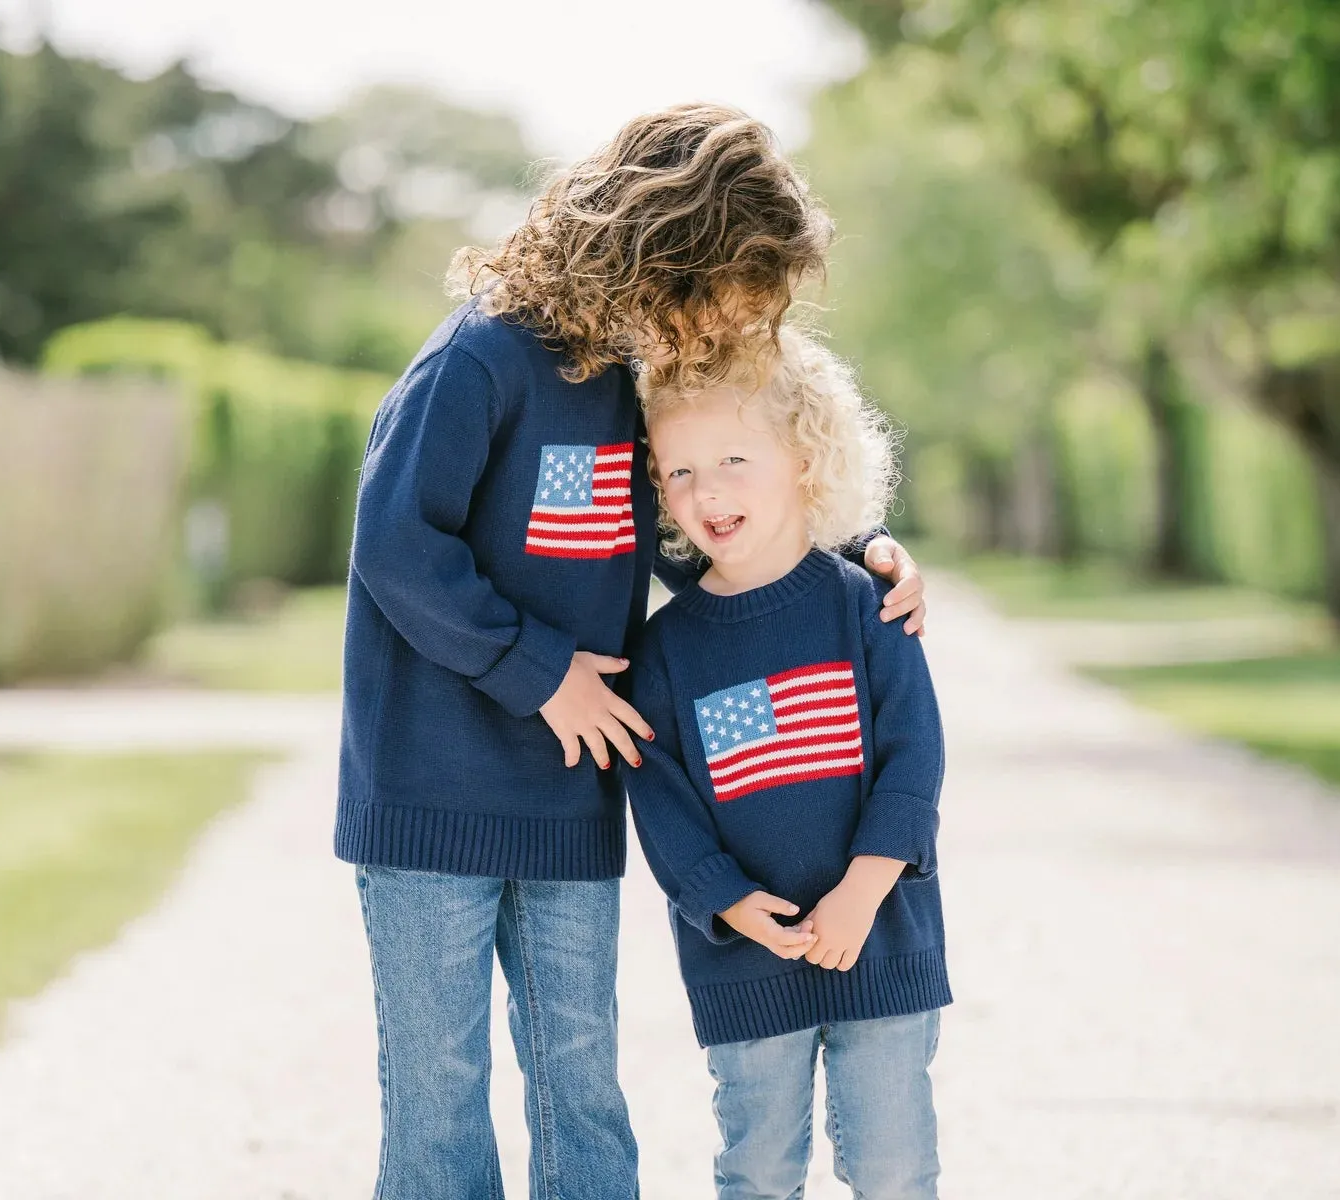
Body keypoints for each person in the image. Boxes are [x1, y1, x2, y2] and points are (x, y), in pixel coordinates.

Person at [337, 104, 930, 1199]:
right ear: (667, 250)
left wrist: (857, 551)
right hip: (427, 793)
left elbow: (709, 521)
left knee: (581, 1083)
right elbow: (394, 544)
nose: (725, 329)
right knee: (438, 1095)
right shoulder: (481, 359)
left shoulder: (628, 383)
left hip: (569, 800)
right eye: (725, 299)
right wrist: (537, 669)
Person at [626, 326, 948, 1200]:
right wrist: (723, 900)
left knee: (893, 1167)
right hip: (746, 961)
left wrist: (862, 891)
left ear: (805, 458)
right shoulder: (664, 650)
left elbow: (914, 760)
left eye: (734, 458)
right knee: (757, 1171)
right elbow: (662, 802)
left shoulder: (864, 607)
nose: (707, 490)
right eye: (679, 472)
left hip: (880, 939)